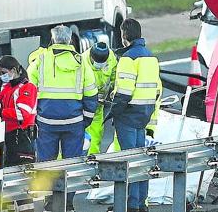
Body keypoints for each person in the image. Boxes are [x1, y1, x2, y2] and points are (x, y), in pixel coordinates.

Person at [27, 25, 98, 212]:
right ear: (69, 40)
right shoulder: (81, 62)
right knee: (72, 164)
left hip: (46, 122)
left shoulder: (41, 60)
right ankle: (67, 203)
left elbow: (28, 91)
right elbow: (92, 94)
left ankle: (50, 202)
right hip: (74, 123)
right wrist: (86, 120)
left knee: (47, 164)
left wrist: (34, 117)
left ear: (52, 39)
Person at [108, 19, 161, 212]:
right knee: (141, 161)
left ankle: (129, 205)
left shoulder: (128, 59)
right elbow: (156, 90)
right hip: (143, 115)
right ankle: (140, 203)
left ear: (124, 36)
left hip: (128, 116)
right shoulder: (151, 58)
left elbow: (124, 92)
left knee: (129, 162)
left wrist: (112, 112)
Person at [0, 55, 37, 212]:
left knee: (21, 183)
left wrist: (1, 112)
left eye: (3, 72)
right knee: (6, 183)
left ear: (14, 70)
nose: (2, 76)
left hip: (22, 139)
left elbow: (22, 114)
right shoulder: (7, 88)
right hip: (8, 138)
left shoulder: (28, 88)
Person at [82, 42, 117, 154]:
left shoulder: (111, 58)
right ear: (91, 57)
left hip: (99, 107)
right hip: (84, 106)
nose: (99, 65)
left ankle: (92, 159)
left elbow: (115, 77)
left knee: (96, 135)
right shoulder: (82, 62)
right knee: (80, 137)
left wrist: (113, 91)